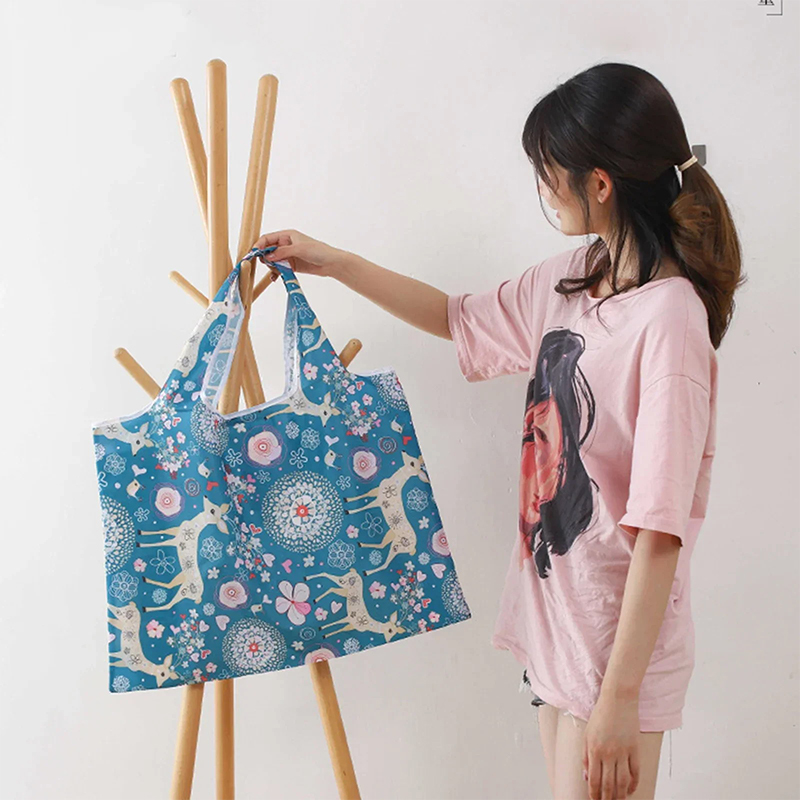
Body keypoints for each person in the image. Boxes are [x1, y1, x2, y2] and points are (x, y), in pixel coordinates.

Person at [252, 62, 743, 800]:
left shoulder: (670, 322)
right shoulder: (575, 277)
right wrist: (335, 262)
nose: (543, 189)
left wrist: (619, 699)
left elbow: (661, 529)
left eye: (549, 173)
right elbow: (457, 318)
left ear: (599, 183)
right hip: (559, 626)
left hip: (617, 650)